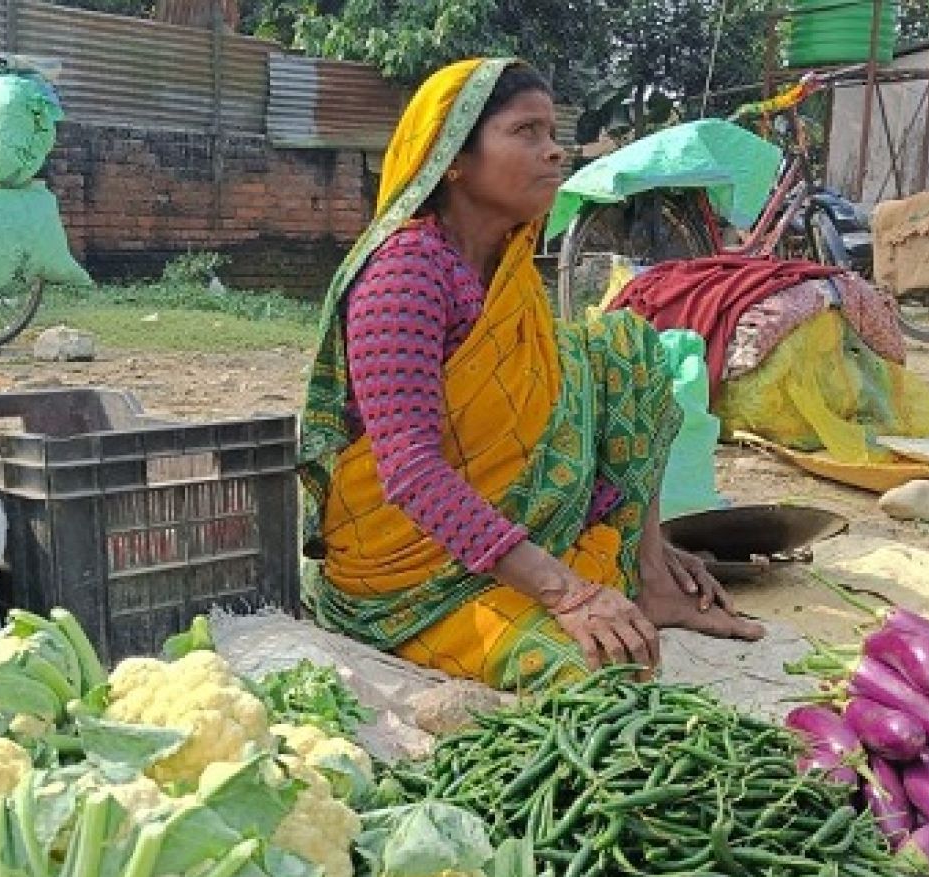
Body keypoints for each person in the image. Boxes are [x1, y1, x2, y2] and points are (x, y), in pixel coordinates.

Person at [299, 58, 763, 691]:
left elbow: (542, 410)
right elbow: (409, 469)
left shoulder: (504, 267)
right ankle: (559, 590)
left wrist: (637, 552)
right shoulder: (405, 273)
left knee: (622, 346)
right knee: (599, 669)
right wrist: (568, 592)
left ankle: (651, 576)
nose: (555, 153)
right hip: (411, 567)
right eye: (526, 132)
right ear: (452, 159)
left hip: (491, 535)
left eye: (553, 134)